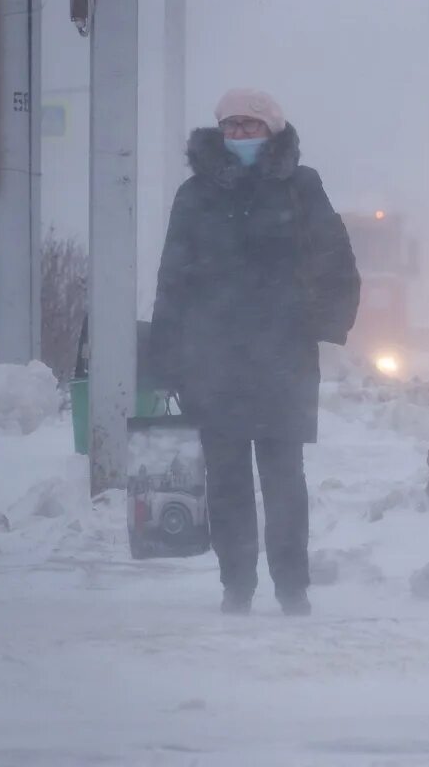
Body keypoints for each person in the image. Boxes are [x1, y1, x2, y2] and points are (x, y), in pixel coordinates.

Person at [150, 88, 360, 616]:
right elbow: (173, 278)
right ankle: (236, 586)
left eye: (251, 125)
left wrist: (321, 325)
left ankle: (293, 588)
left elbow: (336, 259)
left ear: (272, 130)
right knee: (225, 481)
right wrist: (167, 356)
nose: (240, 134)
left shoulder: (300, 187)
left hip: (281, 357)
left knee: (284, 479)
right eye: (232, 125)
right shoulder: (195, 194)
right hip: (212, 357)